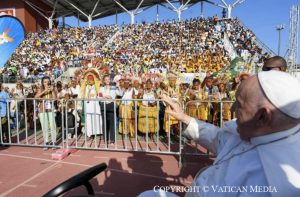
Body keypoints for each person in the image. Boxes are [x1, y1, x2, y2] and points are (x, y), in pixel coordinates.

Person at [139, 70, 300, 196]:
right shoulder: (257, 130)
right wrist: (184, 117)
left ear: (263, 116)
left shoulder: (276, 184)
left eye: (240, 104)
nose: (231, 108)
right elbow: (219, 139)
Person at [35, 76, 57, 150]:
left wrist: (53, 91)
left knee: (52, 125)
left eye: (48, 82)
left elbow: (54, 99)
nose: (46, 83)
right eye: (45, 82)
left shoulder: (52, 88)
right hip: (42, 109)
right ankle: (46, 142)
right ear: (42, 82)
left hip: (50, 108)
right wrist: (44, 91)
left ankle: (54, 141)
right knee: (44, 126)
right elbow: (36, 97)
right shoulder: (40, 88)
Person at [99, 75, 116, 145]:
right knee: (104, 123)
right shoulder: (101, 88)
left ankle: (112, 140)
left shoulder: (113, 88)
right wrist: (105, 96)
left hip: (111, 105)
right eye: (106, 79)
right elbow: (99, 96)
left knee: (111, 124)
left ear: (110, 80)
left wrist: (105, 96)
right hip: (103, 106)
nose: (107, 81)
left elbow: (112, 96)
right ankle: (105, 139)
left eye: (108, 79)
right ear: (104, 80)